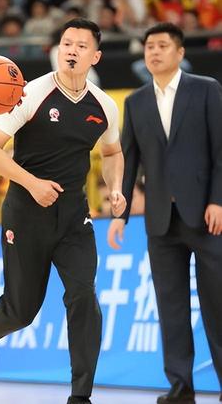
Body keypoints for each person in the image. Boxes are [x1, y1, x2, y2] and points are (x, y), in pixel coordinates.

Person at [0, 19, 127, 404]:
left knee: (83, 296)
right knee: (21, 311)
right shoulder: (30, 93)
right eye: (66, 43)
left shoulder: (104, 106)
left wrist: (115, 188)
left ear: (95, 56)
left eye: (81, 45)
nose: (72, 50)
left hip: (74, 217)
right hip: (26, 213)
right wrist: (32, 184)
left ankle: (80, 396)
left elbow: (112, 152)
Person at [107, 22, 222, 404]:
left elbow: (221, 151)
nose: (154, 52)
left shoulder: (206, 89)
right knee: (170, 308)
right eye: (149, 47)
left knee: (218, 306)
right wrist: (120, 213)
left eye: (162, 45)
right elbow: (128, 160)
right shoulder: (136, 101)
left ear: (180, 52)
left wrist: (218, 200)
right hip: (159, 221)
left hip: (206, 217)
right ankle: (180, 387)